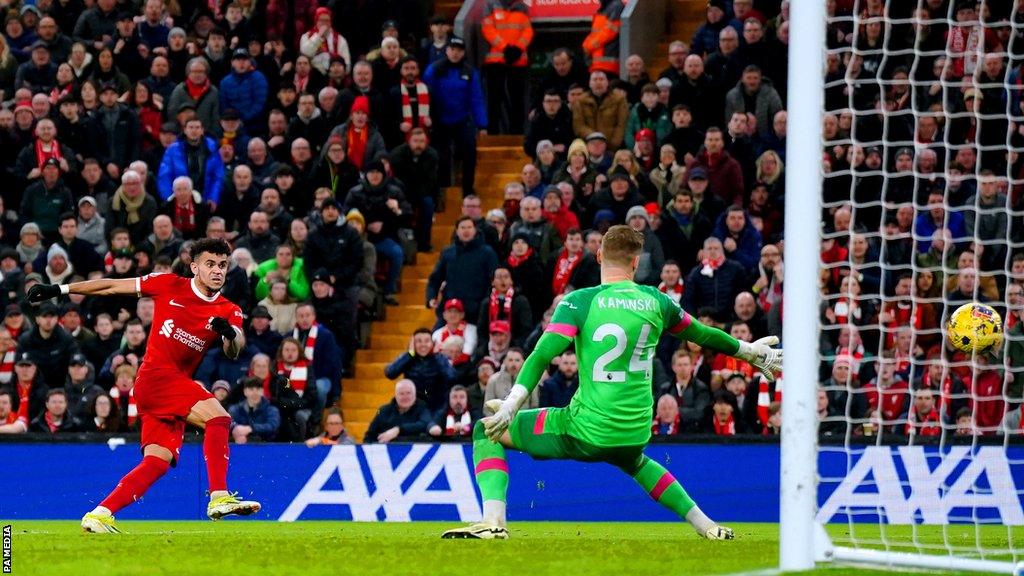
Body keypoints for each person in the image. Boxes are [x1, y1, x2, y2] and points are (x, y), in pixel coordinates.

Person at [441, 225, 781, 540]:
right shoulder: (658, 300)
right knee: (635, 462)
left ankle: (493, 523)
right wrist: (748, 350)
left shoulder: (580, 301)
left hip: (585, 429)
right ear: (636, 262)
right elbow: (703, 334)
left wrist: (514, 402)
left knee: (487, 431)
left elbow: (542, 354)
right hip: (634, 430)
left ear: (600, 256)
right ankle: (707, 526)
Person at [27, 238, 261, 533]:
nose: (217, 271)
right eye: (210, 264)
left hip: (170, 387)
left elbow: (235, 347)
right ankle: (218, 496)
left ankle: (99, 514)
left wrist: (228, 334)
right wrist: (59, 289)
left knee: (158, 461)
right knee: (220, 418)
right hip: (156, 377)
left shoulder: (229, 309)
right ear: (194, 267)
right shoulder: (168, 284)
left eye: (223, 265)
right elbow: (111, 286)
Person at [423, 36, 487, 198]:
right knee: (439, 157)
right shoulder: (434, 69)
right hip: (439, 120)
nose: (455, 53)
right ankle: (442, 191)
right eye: (452, 49)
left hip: (462, 120)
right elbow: (425, 95)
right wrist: (426, 117)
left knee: (469, 154)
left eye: (459, 50)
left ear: (463, 53)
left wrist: (482, 124)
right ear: (447, 50)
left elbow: (476, 99)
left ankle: (467, 189)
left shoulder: (470, 72)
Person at [480, 0, 533, 134]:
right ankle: (493, 132)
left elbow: (528, 30)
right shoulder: (490, 5)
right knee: (494, 100)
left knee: (517, 100)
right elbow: (487, 28)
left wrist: (518, 48)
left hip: (518, 61)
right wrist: (505, 47)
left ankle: (517, 133)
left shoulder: (522, 7)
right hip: (496, 62)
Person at [364, 379, 432, 443]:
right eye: (401, 393)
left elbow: (424, 424)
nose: (405, 397)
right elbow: (369, 435)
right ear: (396, 395)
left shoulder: (423, 408)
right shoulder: (383, 410)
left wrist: (398, 430)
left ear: (415, 395)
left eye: (408, 393)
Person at [228, 376, 281, 443]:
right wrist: (237, 433)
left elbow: (272, 426)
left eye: (258, 389)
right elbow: (229, 424)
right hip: (240, 447)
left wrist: (251, 428)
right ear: (245, 391)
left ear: (262, 391)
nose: (255, 393)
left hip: (266, 447)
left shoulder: (271, 410)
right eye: (251, 389)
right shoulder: (235, 410)